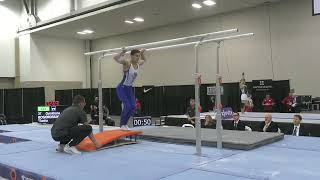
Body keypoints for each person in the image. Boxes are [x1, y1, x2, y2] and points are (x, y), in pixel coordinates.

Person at [114, 48, 146, 130]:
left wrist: (142, 53)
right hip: (122, 88)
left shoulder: (138, 63)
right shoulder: (127, 63)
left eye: (138, 56)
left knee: (133, 107)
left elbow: (144, 60)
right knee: (127, 106)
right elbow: (115, 58)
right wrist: (123, 52)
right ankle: (121, 125)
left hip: (129, 88)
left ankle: (125, 124)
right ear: (131, 56)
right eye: (136, 56)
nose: (138, 57)